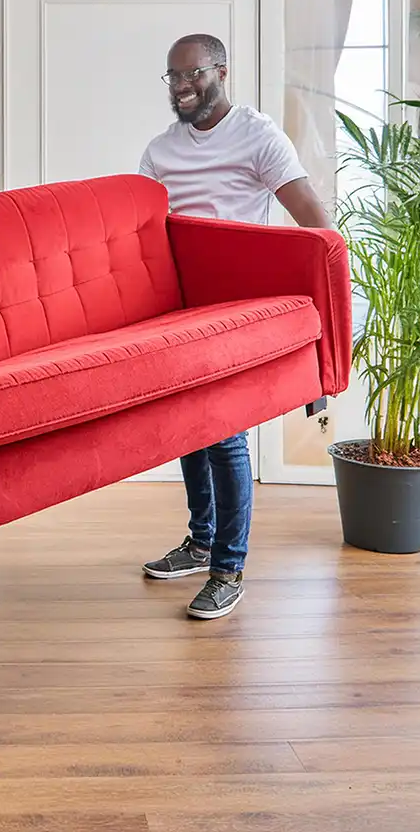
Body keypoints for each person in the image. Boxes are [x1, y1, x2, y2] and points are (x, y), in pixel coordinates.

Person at [138, 33, 333, 620]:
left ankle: (228, 567)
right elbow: (143, 229)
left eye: (191, 74)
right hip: (179, 307)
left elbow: (314, 223)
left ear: (221, 71)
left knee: (224, 433)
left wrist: (320, 307)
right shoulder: (160, 149)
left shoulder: (258, 136)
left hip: (238, 312)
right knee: (189, 430)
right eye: (172, 77)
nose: (181, 87)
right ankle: (201, 542)